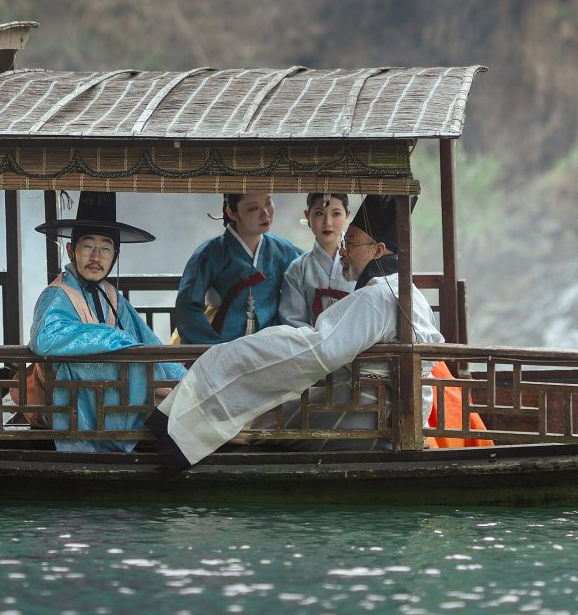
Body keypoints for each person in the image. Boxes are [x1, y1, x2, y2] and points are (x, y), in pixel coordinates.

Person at [149, 195, 446, 469]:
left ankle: (182, 433)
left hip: (369, 413)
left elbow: (321, 348)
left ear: (378, 250)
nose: (342, 251)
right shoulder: (403, 290)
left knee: (258, 413)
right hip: (393, 410)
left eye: (351, 243)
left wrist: (239, 353)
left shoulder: (378, 296)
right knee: (266, 396)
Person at [29, 191, 184, 452]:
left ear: (115, 254)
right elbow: (45, 340)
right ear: (71, 250)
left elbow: (147, 341)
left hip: (108, 399)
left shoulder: (110, 295)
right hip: (66, 402)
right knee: (123, 362)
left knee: (158, 373)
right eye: (88, 246)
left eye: (105, 248)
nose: (96, 257)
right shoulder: (57, 294)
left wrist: (184, 381)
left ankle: (173, 410)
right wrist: (113, 338)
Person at [172, 192, 301, 344]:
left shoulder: (283, 249)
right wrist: (212, 348)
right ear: (231, 212)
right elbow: (187, 306)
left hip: (271, 347)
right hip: (223, 345)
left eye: (268, 203)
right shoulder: (210, 253)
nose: (265, 213)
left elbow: (308, 270)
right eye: (253, 208)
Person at [279, 192, 353, 326]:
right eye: (319, 213)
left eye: (336, 214)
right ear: (307, 215)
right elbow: (292, 322)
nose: (327, 223)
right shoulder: (297, 270)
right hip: (312, 344)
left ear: (347, 215)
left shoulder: (361, 262)